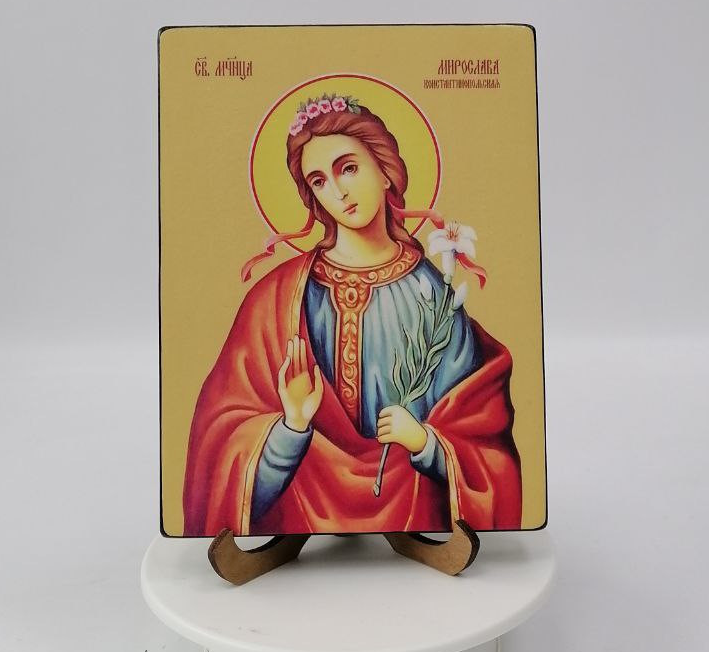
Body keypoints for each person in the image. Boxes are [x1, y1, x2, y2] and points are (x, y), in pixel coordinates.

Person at [181, 94, 522, 536]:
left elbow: (479, 436)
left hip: (413, 505)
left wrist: (424, 442)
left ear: (385, 170)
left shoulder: (434, 297)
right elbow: (221, 451)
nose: (338, 192)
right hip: (302, 506)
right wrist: (292, 427)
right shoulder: (276, 300)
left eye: (348, 168)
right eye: (319, 181)